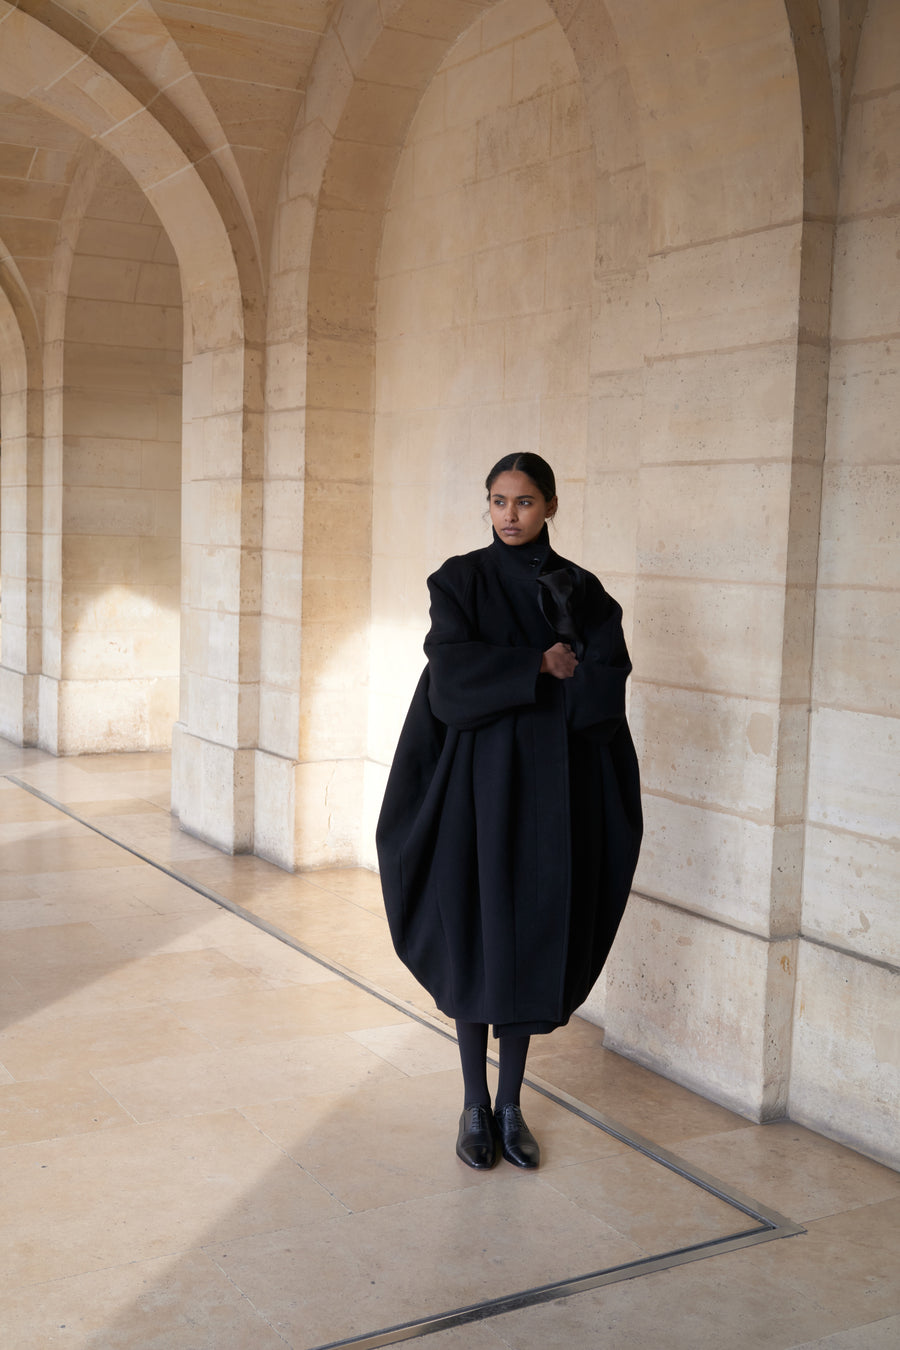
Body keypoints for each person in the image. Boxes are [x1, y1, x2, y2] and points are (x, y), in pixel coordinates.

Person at [376, 453, 642, 1171]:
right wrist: (536, 665)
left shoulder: (581, 591)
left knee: (530, 937)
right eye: (498, 501)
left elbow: (604, 685)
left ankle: (512, 1105)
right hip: (476, 788)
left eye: (525, 502)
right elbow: (450, 675)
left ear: (550, 506)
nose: (510, 515)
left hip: (551, 795)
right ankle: (472, 1104)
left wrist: (569, 670)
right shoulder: (458, 579)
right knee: (474, 931)